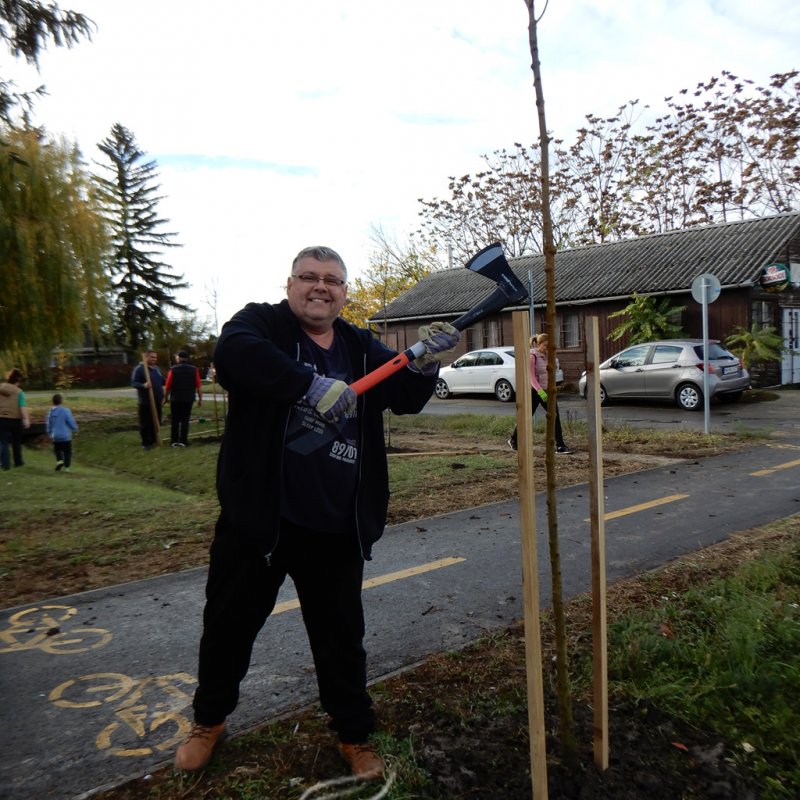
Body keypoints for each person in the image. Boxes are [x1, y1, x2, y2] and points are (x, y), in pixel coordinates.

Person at [174, 246, 459, 778]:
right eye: (309, 277)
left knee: (340, 638)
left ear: (344, 293)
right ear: (290, 284)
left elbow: (404, 397)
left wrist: (425, 363)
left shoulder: (356, 342)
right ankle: (208, 721)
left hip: (334, 524)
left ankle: (355, 734)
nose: (320, 287)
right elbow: (234, 354)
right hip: (260, 522)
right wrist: (309, 384)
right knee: (228, 627)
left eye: (332, 280)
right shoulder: (260, 324)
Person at [508, 333, 572, 454]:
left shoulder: (548, 356)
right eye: (545, 345)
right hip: (535, 392)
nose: (547, 348)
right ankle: (514, 440)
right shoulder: (533, 357)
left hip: (548, 391)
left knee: (555, 417)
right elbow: (531, 377)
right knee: (526, 418)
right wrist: (541, 392)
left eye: (549, 346)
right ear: (538, 344)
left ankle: (560, 445)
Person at [164, 350, 203, 447]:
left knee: (175, 420)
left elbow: (168, 386)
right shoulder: (194, 370)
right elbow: (198, 385)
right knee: (185, 420)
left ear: (179, 358)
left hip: (175, 398)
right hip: (188, 399)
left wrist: (165, 398)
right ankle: (183, 441)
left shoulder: (173, 369)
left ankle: (174, 441)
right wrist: (200, 399)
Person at [131, 351, 165, 449]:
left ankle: (154, 440)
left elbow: (161, 380)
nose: (154, 359)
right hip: (146, 401)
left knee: (156, 420)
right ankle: (146, 443)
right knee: (146, 422)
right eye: (152, 357)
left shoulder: (156, 369)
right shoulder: (140, 369)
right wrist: (144, 385)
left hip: (157, 400)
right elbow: (134, 383)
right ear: (145, 358)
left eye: (155, 357)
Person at [0, 368, 31, 470]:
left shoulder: (1, 388)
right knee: (16, 442)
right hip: (15, 420)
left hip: (1, 419)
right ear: (18, 380)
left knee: (3, 442)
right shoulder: (19, 392)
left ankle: (5, 464)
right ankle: (18, 462)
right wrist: (26, 419)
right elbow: (22, 406)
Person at [46, 393, 78, 472]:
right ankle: (67, 467)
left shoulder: (51, 412)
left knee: (57, 450)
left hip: (56, 436)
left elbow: (49, 424)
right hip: (66, 436)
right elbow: (70, 421)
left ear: (53, 402)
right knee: (67, 452)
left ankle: (60, 460)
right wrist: (75, 428)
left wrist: (49, 433)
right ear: (61, 401)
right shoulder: (66, 411)